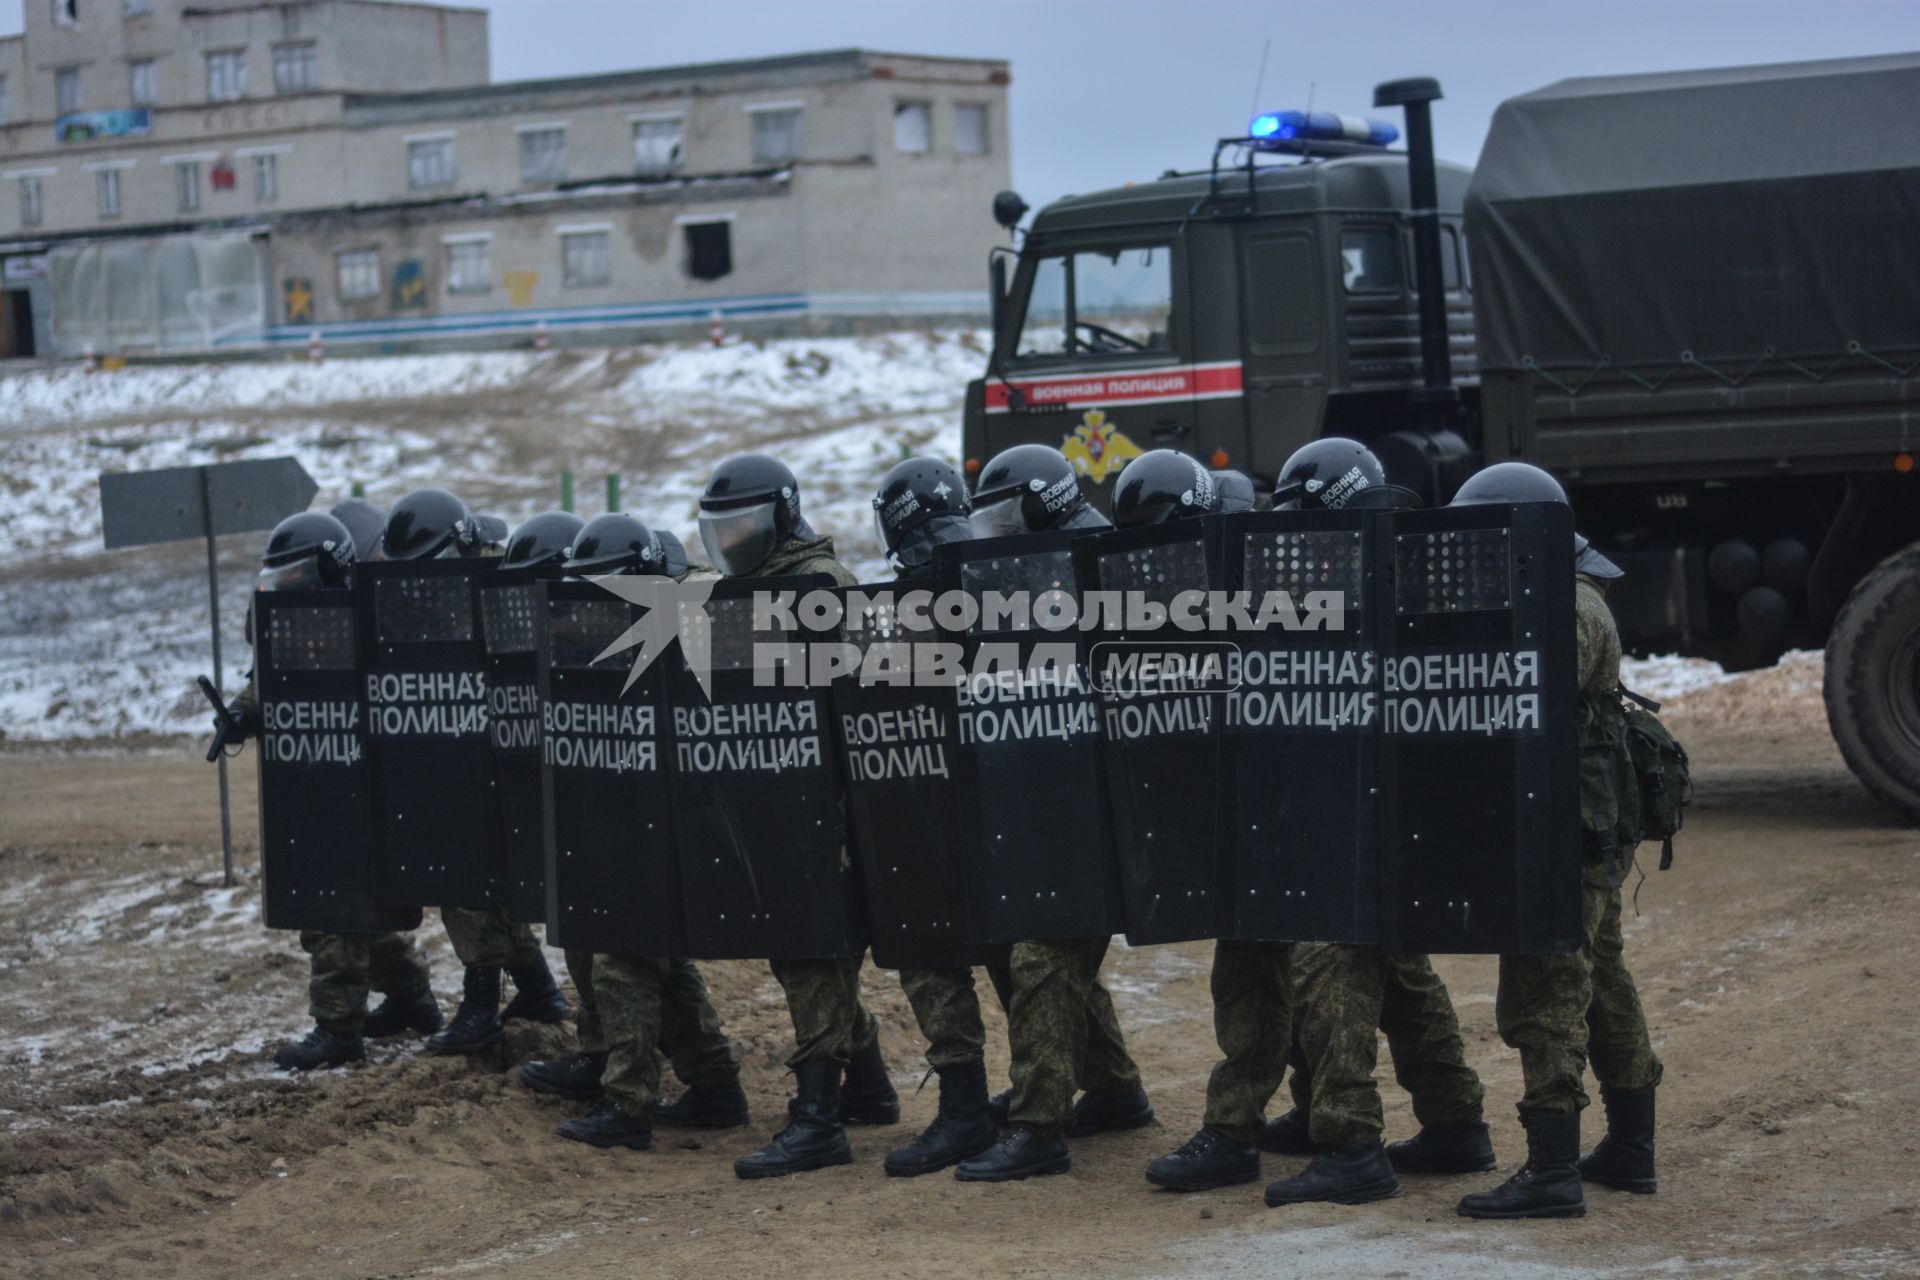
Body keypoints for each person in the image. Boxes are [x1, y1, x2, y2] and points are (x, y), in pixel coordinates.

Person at [1255, 439, 1494, 1208]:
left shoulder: (1365, 572)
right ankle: (1454, 1121)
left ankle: (1351, 1145)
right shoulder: (1400, 562)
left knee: (1333, 966)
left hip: (1359, 812)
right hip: (1398, 810)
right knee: (1399, 971)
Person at [1445, 461, 1664, 1220]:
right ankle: (1630, 1148)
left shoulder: (1565, 609)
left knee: (1548, 989)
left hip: (1564, 836)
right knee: (1603, 985)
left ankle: (1551, 1171)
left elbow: (1522, 701)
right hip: (1580, 831)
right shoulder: (1568, 597)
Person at [953, 445, 1155, 1183]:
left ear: (1043, 502)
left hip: (1096, 806)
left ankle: (1040, 1127)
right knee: (1059, 953)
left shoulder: (1096, 562)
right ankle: (1113, 1089)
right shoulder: (1066, 557)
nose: (997, 532)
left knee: (1041, 952)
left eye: (1006, 516)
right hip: (1069, 799)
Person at [696, 454, 902, 1178]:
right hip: (773, 800)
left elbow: (870, 695)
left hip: (828, 807)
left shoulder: (825, 588)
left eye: (745, 524)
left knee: (815, 953)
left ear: (782, 515)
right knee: (801, 951)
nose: (732, 539)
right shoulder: (734, 597)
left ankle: (819, 1120)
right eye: (722, 527)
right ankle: (870, 1090)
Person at [537, 514, 751, 1152]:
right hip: (647, 818)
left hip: (686, 821)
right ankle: (714, 1087)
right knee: (659, 957)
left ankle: (629, 1105)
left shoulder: (698, 624)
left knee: (624, 957)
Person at [221, 508, 444, 1071]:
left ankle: (338, 1029)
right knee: (357, 907)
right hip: (312, 781)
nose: (290, 591)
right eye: (282, 583)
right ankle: (412, 998)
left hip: (363, 783)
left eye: (298, 580)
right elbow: (265, 678)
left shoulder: (373, 619)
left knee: (330, 908)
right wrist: (242, 717)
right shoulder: (292, 625)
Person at [379, 488, 573, 1054]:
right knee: (482, 887)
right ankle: (539, 990)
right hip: (469, 758)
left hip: (505, 758)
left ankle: (482, 1008)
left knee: (470, 886)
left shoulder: (500, 589)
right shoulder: (439, 598)